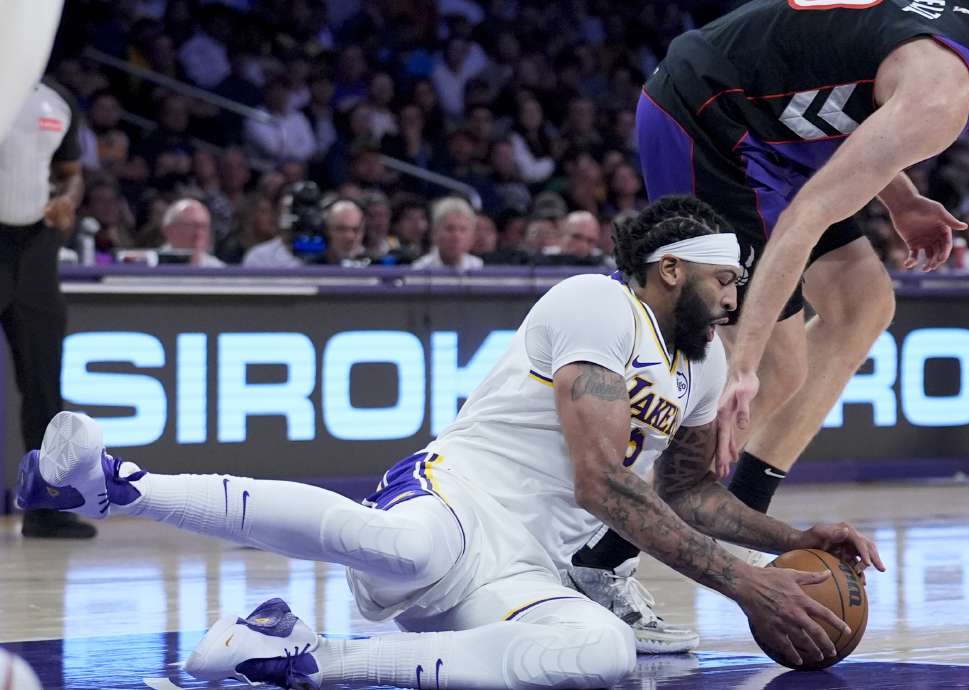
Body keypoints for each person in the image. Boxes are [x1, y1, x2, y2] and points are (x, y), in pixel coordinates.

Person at [16, 196, 883, 688]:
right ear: (670, 272)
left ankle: (303, 654)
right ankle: (112, 484)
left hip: (521, 570)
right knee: (403, 543)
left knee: (601, 652)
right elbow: (601, 486)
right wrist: (745, 589)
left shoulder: (702, 364)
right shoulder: (596, 304)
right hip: (457, 498)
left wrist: (792, 542)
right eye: (724, 278)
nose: (735, 294)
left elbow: (687, 492)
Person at [576, 0, 969, 650]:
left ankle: (742, 509)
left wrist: (900, 197)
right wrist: (746, 363)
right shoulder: (946, 92)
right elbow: (809, 213)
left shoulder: (958, 40)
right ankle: (599, 556)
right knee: (778, 367)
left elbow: (838, 81)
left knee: (865, 302)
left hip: (771, 129)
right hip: (709, 119)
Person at [0, 78, 93, 539]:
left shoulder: (57, 98)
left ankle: (45, 508)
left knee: (43, 386)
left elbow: (72, 170)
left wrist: (68, 200)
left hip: (35, 248)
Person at [160, 198, 226, 267]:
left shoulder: (218, 269)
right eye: (191, 226)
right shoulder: (151, 263)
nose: (198, 233)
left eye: (203, 227)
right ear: (169, 230)